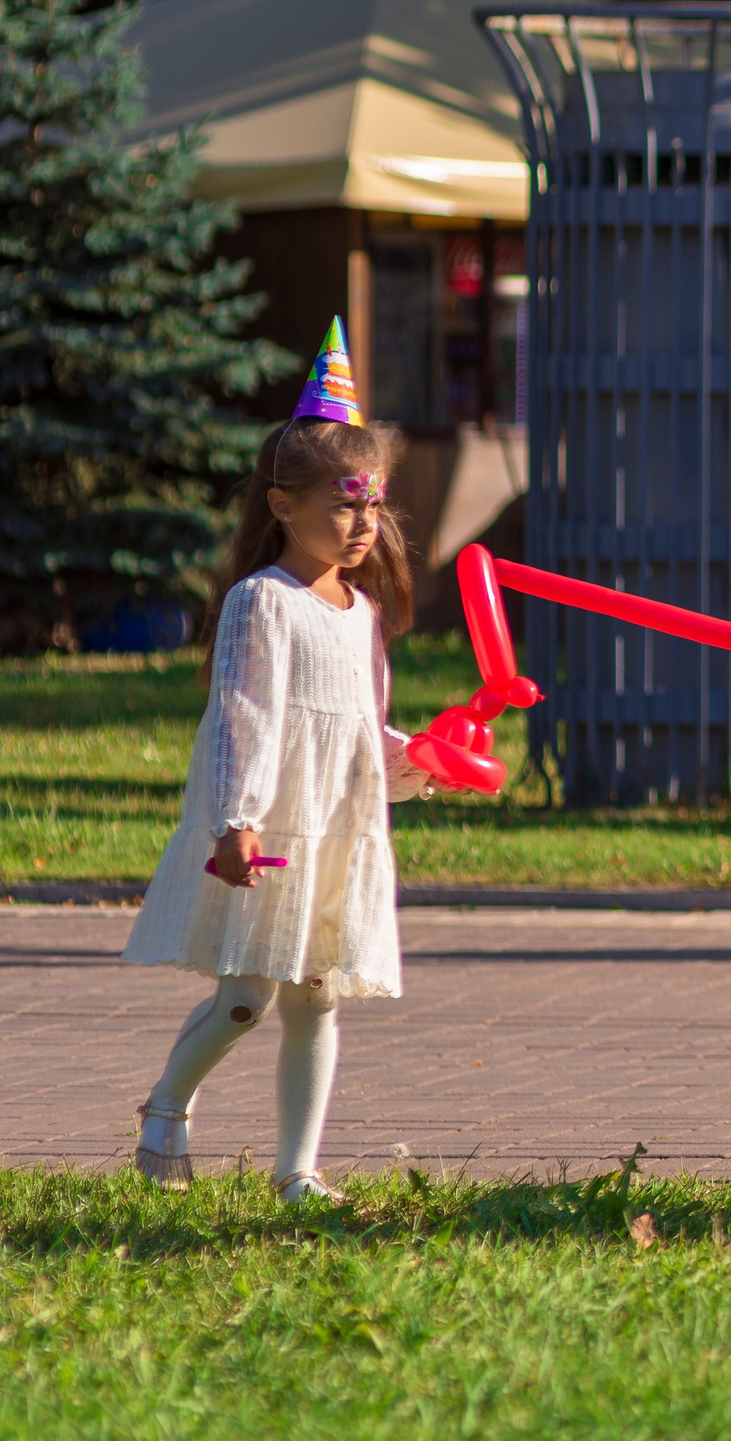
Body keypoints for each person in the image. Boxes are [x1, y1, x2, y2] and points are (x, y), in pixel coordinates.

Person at [123, 321, 434, 1203]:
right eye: (344, 504)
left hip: (337, 825)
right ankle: (166, 1105)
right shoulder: (264, 600)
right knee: (249, 995)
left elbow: (359, 725)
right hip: (271, 827)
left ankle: (298, 1171)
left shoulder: (360, 613)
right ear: (281, 505)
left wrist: (413, 759)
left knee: (317, 997)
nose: (363, 522)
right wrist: (236, 818)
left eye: (372, 505)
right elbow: (243, 720)